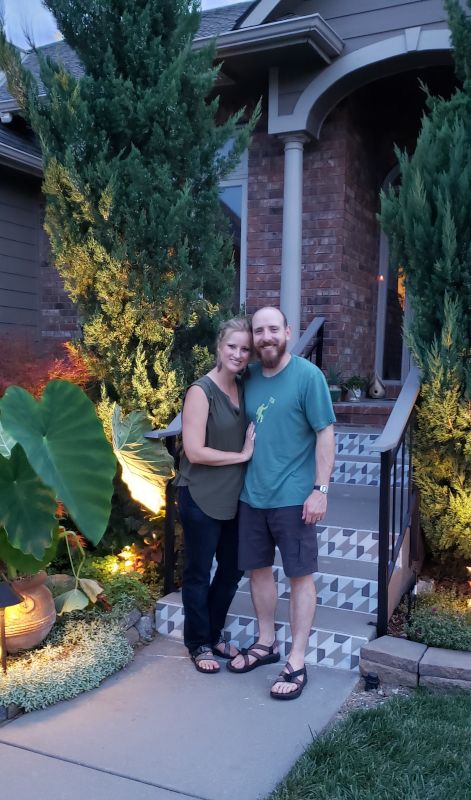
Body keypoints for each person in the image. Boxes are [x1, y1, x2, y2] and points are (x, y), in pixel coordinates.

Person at [227, 306, 336, 700]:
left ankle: (297, 659)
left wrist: (320, 489)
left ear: (288, 332)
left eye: (273, 329)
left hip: (295, 499)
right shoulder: (249, 377)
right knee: (258, 571)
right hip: (252, 495)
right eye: (259, 331)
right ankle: (266, 642)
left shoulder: (308, 376)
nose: (266, 337)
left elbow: (325, 433)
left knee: (299, 576)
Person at [175, 317, 256, 674]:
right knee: (198, 572)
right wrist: (241, 456)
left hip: (235, 498)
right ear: (219, 347)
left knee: (233, 569)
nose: (238, 354)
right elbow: (194, 451)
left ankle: (213, 632)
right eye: (232, 346)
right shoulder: (201, 391)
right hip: (200, 495)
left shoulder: (244, 386)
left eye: (245, 349)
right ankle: (198, 643)